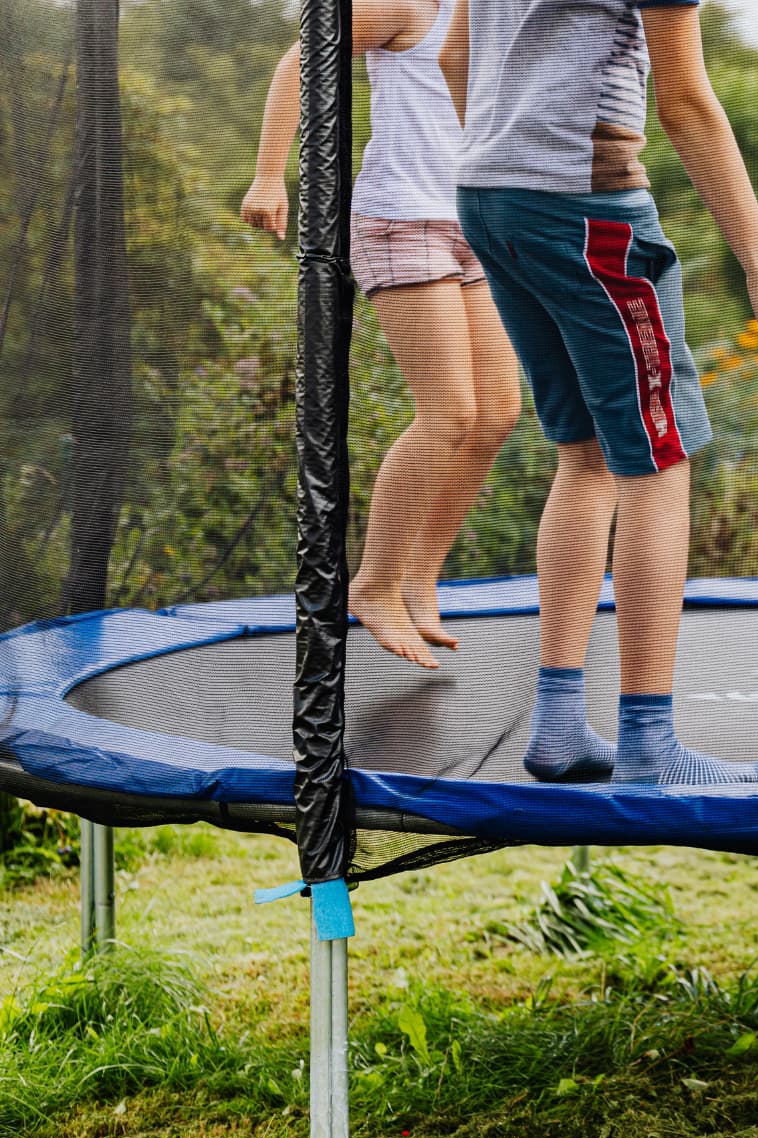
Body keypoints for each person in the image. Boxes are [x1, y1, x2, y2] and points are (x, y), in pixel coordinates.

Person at [441, 0, 758, 784]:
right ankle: (648, 741)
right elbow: (684, 101)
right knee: (658, 455)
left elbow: (453, 58)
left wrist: (508, 151)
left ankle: (556, 726)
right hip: (585, 209)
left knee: (582, 453)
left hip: (488, 193)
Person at [242, 0, 523, 670]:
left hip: (474, 222)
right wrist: (267, 174)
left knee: (497, 414)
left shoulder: (493, 10)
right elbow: (300, 60)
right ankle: (372, 582)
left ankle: (420, 576)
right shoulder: (401, 2)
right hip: (403, 222)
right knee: (449, 412)